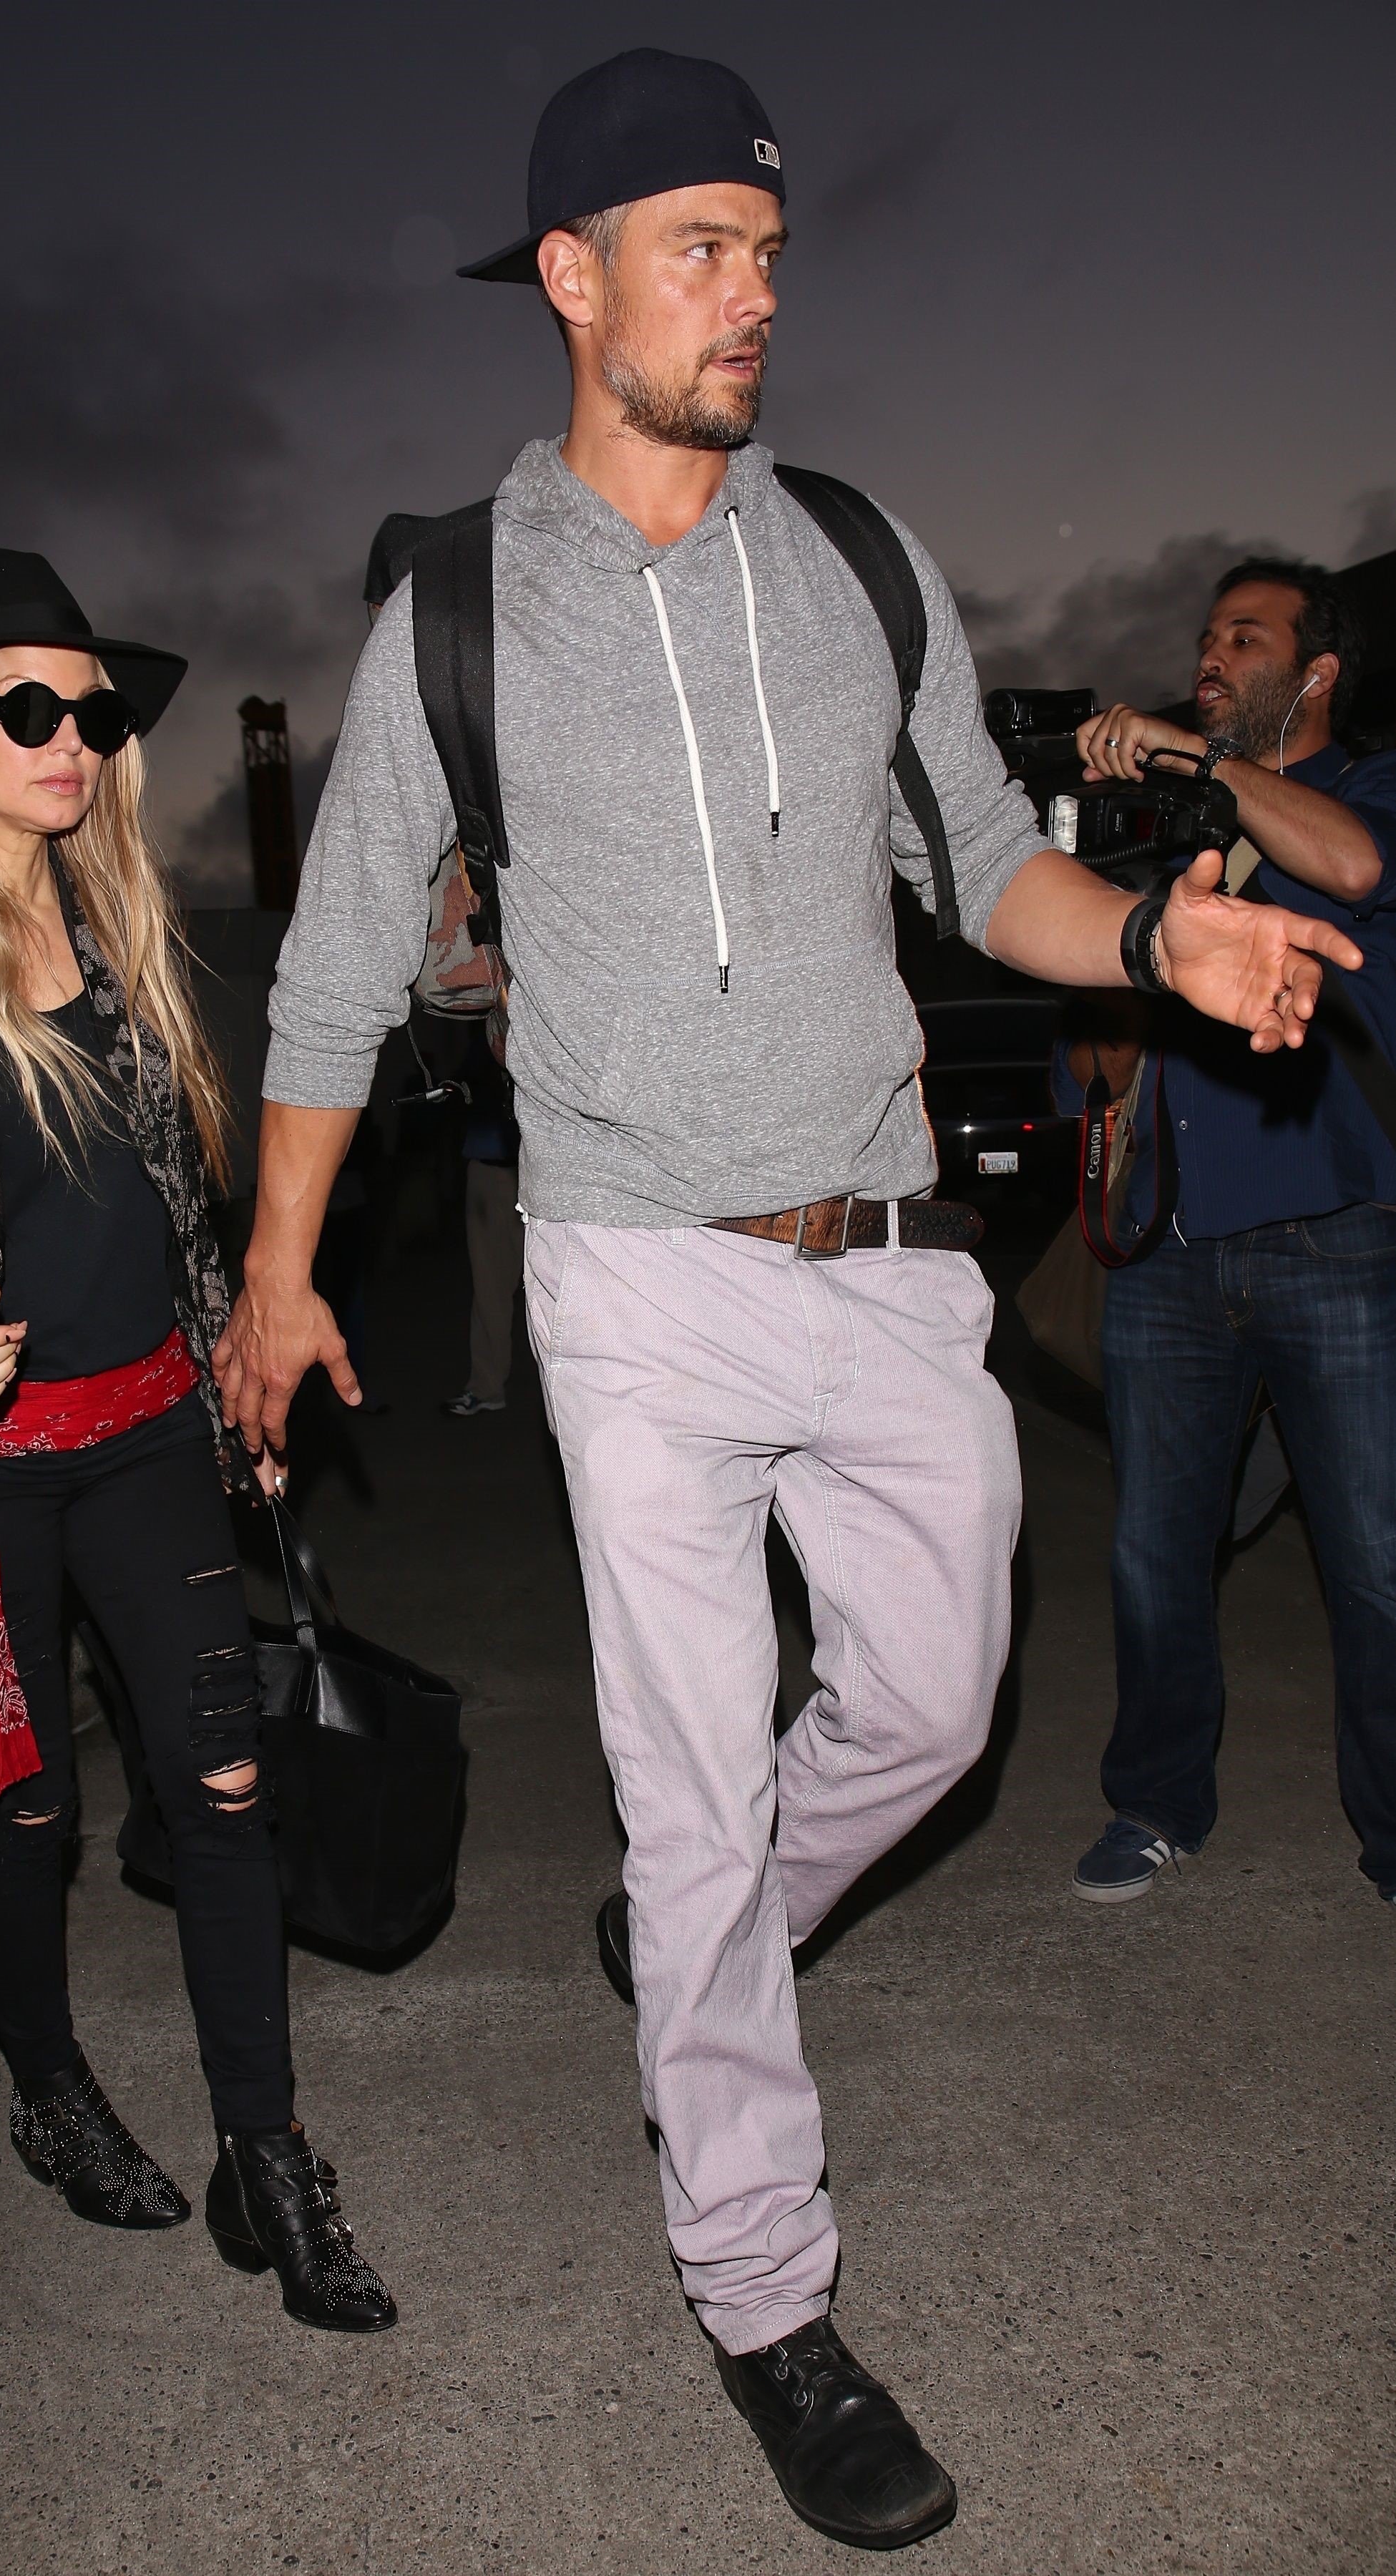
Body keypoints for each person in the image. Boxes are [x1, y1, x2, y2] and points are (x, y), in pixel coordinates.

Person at [217, 51, 1357, 2550]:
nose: (754, 291)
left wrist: (1157, 940)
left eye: (768, 244)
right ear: (574, 277)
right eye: (701, 246)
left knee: (939, 1709)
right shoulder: (449, 619)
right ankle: (764, 2292)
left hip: (882, 1268)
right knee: (700, 1784)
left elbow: (988, 874)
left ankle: (695, 1919)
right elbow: (326, 976)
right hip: (628, 1278)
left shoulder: (859, 554)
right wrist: (283, 1279)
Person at [0, 548, 395, 2333]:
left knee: (224, 1791)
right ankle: (48, 2093)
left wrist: (232, 1384)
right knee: (28, 1816)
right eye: (20, 706)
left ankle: (267, 2153)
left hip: (140, 1436)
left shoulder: (118, 925)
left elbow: (179, 1206)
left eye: (89, 710)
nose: (64, 737)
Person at [1058, 560, 1396, 1908]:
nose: (1212, 655)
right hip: (1173, 1255)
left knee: (1377, 1562)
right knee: (1155, 1554)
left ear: (1313, 674)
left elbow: (1355, 869)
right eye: (1204, 638)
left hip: (1341, 1244)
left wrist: (1190, 753)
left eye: (1244, 639)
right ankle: (1155, 1804)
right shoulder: (1164, 828)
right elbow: (1088, 1045)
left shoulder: (1367, 790)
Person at [444, 1029, 524, 1418]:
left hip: (548, 1173)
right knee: (492, 1286)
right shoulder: (485, 1020)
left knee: (572, 1285)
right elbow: (462, 1082)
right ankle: (488, 1385)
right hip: (493, 1169)